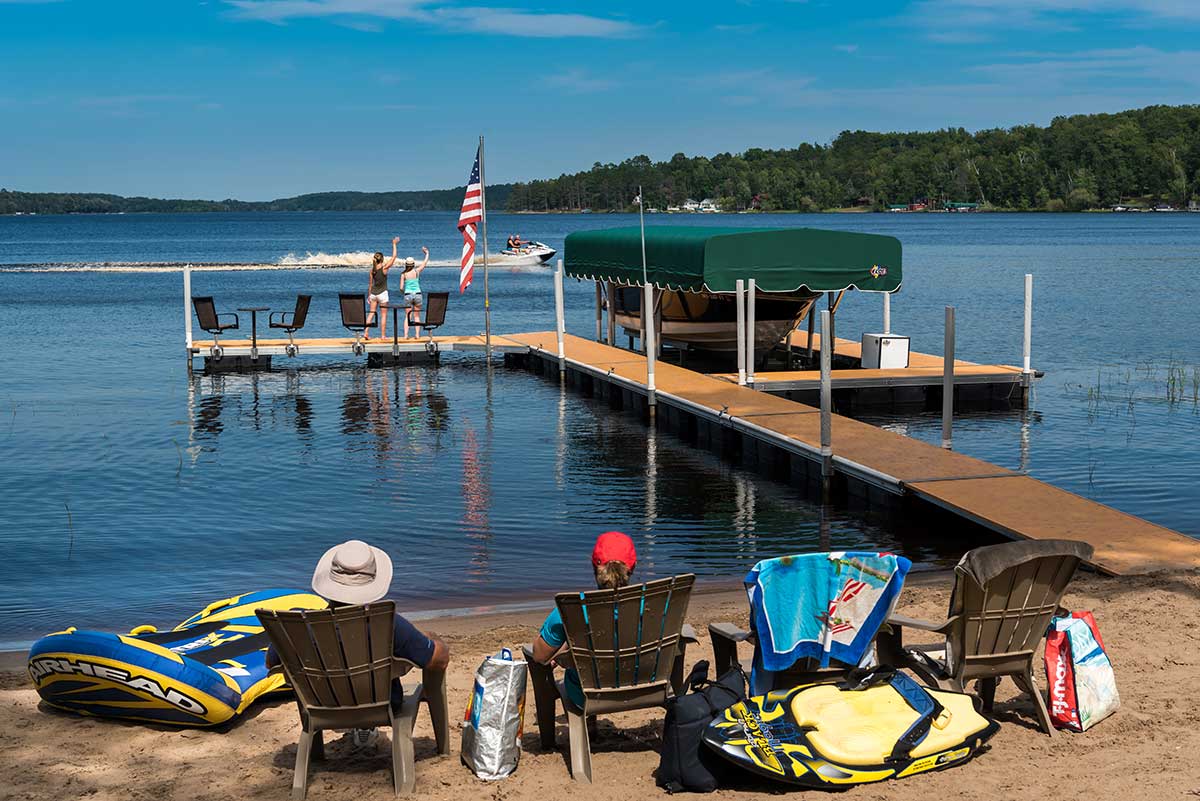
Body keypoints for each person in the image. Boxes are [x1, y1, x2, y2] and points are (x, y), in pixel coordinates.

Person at [266, 540, 450, 741]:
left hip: (321, 706)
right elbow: (438, 661)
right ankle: (441, 745)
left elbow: (271, 663)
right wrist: (432, 639)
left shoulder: (296, 627)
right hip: (383, 706)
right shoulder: (388, 624)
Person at [530, 531, 637, 709]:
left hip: (587, 693)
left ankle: (587, 726)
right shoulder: (654, 604)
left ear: (594, 565)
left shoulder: (573, 609)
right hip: (642, 686)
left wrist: (569, 642)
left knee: (578, 674)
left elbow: (540, 656)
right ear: (633, 567)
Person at [365, 237, 399, 340]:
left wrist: (369, 296)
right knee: (383, 315)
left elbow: (370, 284)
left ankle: (366, 332)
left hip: (373, 294)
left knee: (371, 313)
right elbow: (394, 257)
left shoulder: (372, 270)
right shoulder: (384, 268)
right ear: (382, 259)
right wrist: (394, 244)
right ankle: (383, 336)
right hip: (382, 294)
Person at [400, 246, 430, 339]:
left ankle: (405, 335)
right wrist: (427, 253)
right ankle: (417, 335)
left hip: (408, 295)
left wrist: (404, 292)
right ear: (413, 264)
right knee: (417, 316)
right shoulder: (417, 271)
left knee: (408, 316)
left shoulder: (403, 274)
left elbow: (401, 287)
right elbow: (424, 263)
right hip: (417, 294)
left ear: (406, 264)